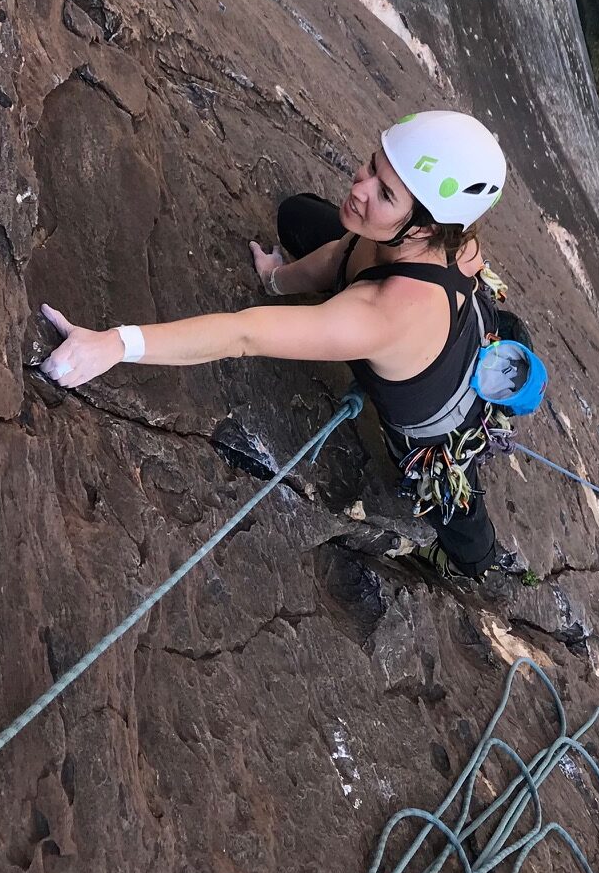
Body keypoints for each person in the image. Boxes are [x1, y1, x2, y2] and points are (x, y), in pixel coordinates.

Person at [38, 111, 510, 579]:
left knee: (463, 528)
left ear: (424, 229)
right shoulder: (453, 237)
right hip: (464, 323)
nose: (359, 187)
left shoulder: (379, 315)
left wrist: (117, 344)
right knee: (297, 215)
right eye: (372, 165)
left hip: (442, 423)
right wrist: (276, 280)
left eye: (384, 194)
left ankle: (477, 558)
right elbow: (343, 256)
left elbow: (244, 334)